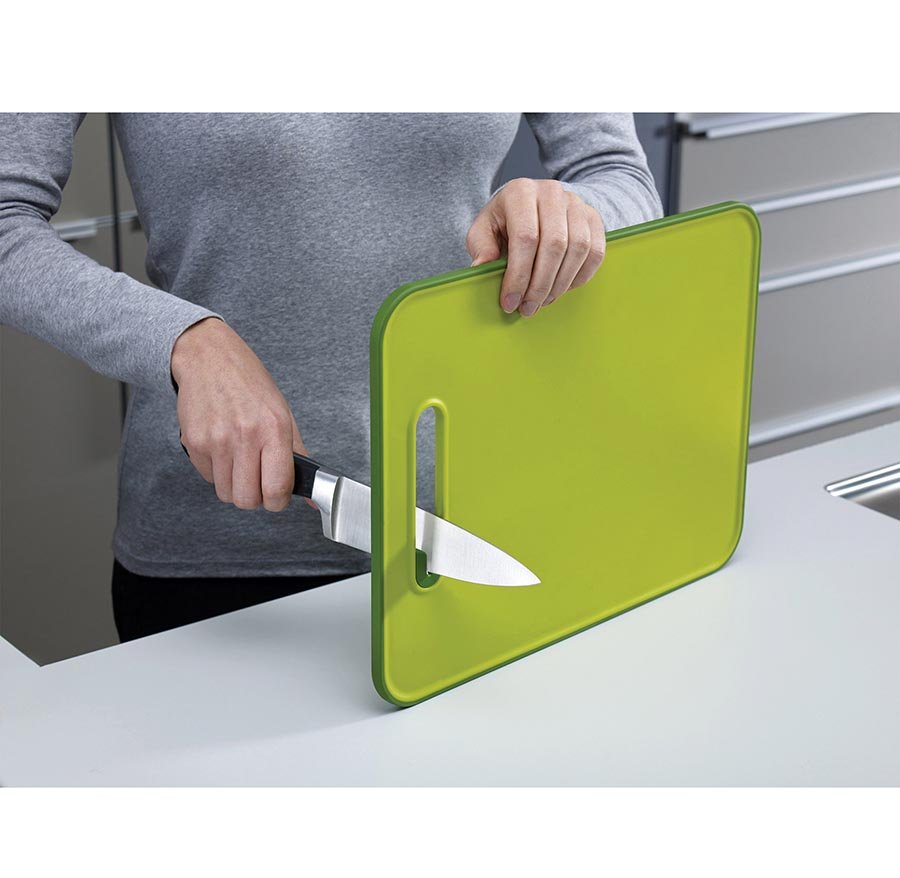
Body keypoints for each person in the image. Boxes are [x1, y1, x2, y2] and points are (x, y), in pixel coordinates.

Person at [0, 113, 663, 641]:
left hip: (470, 528)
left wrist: (569, 213)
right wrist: (185, 340)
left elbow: (620, 177)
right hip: (220, 553)